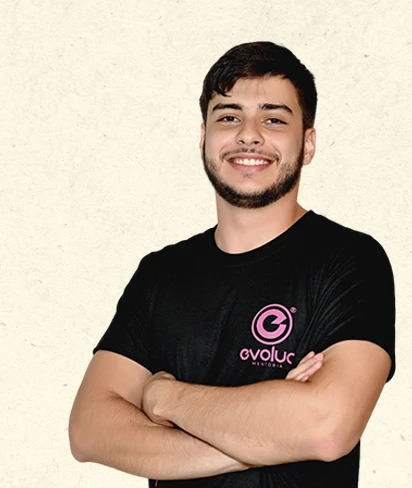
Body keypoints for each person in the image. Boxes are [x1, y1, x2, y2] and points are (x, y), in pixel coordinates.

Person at [69, 41, 395, 487]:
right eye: (228, 117)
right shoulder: (161, 273)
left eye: (274, 119)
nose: (249, 135)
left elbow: (326, 427)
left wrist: (164, 397)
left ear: (308, 143)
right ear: (204, 137)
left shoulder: (350, 261)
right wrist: (271, 436)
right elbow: (89, 430)